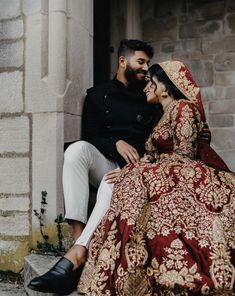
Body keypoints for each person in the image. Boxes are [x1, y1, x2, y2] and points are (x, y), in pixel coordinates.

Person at [77, 61, 235, 295]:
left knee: (130, 178)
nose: (145, 88)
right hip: (169, 175)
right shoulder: (164, 114)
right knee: (125, 178)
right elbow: (154, 157)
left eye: (151, 83)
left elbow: (184, 157)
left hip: (187, 178)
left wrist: (137, 169)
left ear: (165, 87)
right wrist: (136, 168)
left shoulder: (183, 107)